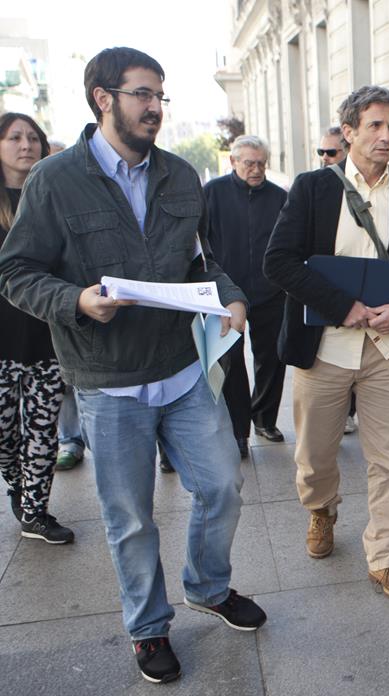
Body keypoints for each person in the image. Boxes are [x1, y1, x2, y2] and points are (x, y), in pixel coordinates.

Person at [0, 47, 267, 684]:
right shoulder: (54, 180)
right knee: (131, 518)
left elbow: (200, 260)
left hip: (182, 371)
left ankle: (208, 586)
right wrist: (75, 301)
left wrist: (230, 294)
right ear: (103, 98)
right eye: (143, 94)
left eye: (160, 96)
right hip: (108, 383)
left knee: (222, 487)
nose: (155, 107)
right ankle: (148, 629)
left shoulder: (180, 176)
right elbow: (16, 271)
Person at [264, 85, 389, 598]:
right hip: (324, 346)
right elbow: (278, 262)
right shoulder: (312, 188)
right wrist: (342, 306)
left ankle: (386, 555)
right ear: (348, 132)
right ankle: (321, 509)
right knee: (315, 455)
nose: (386, 136)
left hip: (386, 349)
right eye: (375, 126)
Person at [0, 112, 73, 543]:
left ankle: (35, 511)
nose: (25, 145)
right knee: (5, 434)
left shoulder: (54, 196)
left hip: (47, 336)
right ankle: (17, 482)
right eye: (14, 137)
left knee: (43, 429)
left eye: (32, 137)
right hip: (2, 340)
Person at [204, 135, 289, 457]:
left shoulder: (279, 197)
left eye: (261, 164)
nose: (256, 170)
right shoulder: (212, 193)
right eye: (249, 164)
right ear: (233, 162)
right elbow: (201, 241)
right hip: (227, 295)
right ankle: (238, 431)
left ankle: (265, 419)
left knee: (273, 358)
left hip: (271, 291)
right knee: (230, 363)